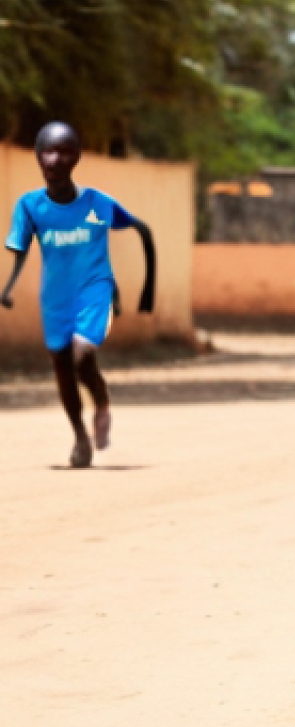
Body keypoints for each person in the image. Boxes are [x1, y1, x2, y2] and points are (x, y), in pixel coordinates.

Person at [2, 121, 156, 468]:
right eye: (49, 151)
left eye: (65, 151)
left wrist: (148, 288)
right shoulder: (29, 206)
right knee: (63, 369)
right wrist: (9, 286)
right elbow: (21, 249)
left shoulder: (98, 203)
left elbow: (140, 229)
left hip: (95, 289)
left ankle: (101, 400)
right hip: (54, 298)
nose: (56, 159)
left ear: (78, 157)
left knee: (83, 353)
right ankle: (79, 437)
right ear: (39, 157)